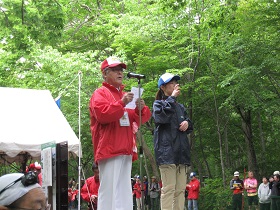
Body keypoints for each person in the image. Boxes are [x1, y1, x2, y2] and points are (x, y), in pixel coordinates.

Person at [89, 56, 151, 210]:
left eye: (121, 70)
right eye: (115, 70)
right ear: (105, 73)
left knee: (124, 191)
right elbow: (103, 115)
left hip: (126, 149)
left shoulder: (125, 95)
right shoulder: (99, 93)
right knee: (108, 191)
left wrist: (140, 108)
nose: (120, 73)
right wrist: (122, 103)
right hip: (109, 149)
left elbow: (137, 120)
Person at [153, 72, 193, 210]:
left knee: (180, 190)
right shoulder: (158, 104)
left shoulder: (180, 107)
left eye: (176, 82)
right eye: (172, 83)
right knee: (168, 189)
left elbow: (189, 125)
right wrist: (172, 98)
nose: (176, 85)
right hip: (166, 155)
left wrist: (187, 123)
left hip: (181, 154)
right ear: (163, 87)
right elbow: (161, 118)